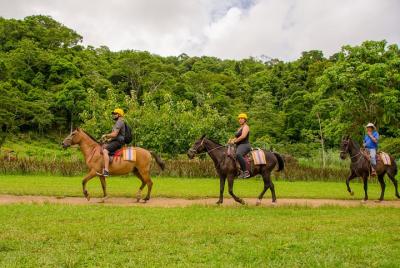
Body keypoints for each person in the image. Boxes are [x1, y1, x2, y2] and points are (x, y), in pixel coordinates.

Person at [98, 108, 126, 177]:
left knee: (105, 151)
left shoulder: (119, 122)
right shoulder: (119, 122)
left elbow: (114, 134)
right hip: (116, 140)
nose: (113, 115)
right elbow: (115, 136)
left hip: (118, 142)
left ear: (119, 115)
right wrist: (108, 140)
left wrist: (106, 135)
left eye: (115, 114)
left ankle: (106, 170)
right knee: (103, 146)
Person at [232, 113, 251, 178]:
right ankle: (237, 171)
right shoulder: (239, 128)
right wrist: (231, 140)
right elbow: (236, 137)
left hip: (245, 145)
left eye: (242, 118)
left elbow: (243, 136)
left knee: (238, 154)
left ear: (245, 120)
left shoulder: (246, 127)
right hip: (238, 145)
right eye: (239, 119)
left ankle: (245, 172)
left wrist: (234, 141)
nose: (240, 120)